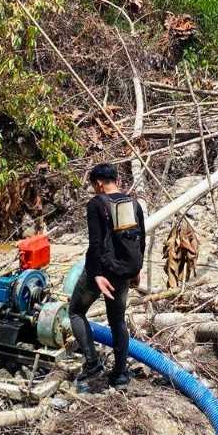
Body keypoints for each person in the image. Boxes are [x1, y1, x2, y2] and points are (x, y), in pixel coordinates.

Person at [68, 163, 146, 391]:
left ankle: (92, 364)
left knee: (75, 311)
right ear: (117, 181)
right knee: (117, 321)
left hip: (102, 272)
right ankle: (120, 374)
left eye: (93, 185)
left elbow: (95, 244)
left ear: (99, 184)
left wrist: (96, 275)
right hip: (124, 272)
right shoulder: (133, 203)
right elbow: (140, 238)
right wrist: (136, 271)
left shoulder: (96, 204)